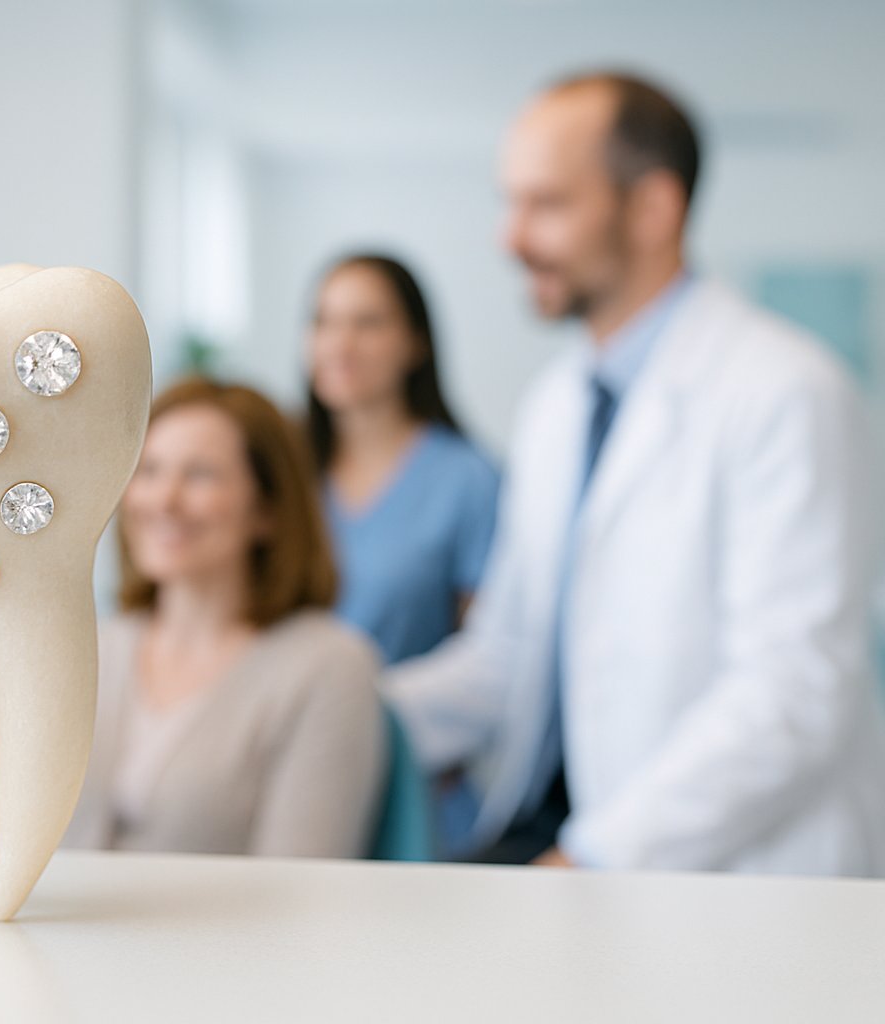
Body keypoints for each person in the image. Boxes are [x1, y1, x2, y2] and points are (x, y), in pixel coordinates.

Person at [386, 72, 885, 873]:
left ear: (653, 209)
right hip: (568, 838)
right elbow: (510, 652)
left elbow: (795, 692)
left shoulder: (786, 391)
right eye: (509, 203)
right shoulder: (559, 403)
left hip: (728, 874)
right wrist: (346, 713)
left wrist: (592, 857)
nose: (508, 239)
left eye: (545, 205)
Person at [63, 377, 386, 857]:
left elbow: (300, 890)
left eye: (199, 476)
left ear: (267, 509)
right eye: (148, 471)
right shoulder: (91, 650)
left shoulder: (331, 669)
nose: (164, 500)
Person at [308, 254, 500, 665]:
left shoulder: (469, 480)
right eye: (325, 322)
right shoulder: (285, 472)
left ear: (416, 342)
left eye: (368, 323)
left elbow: (487, 655)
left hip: (407, 721)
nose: (341, 345)